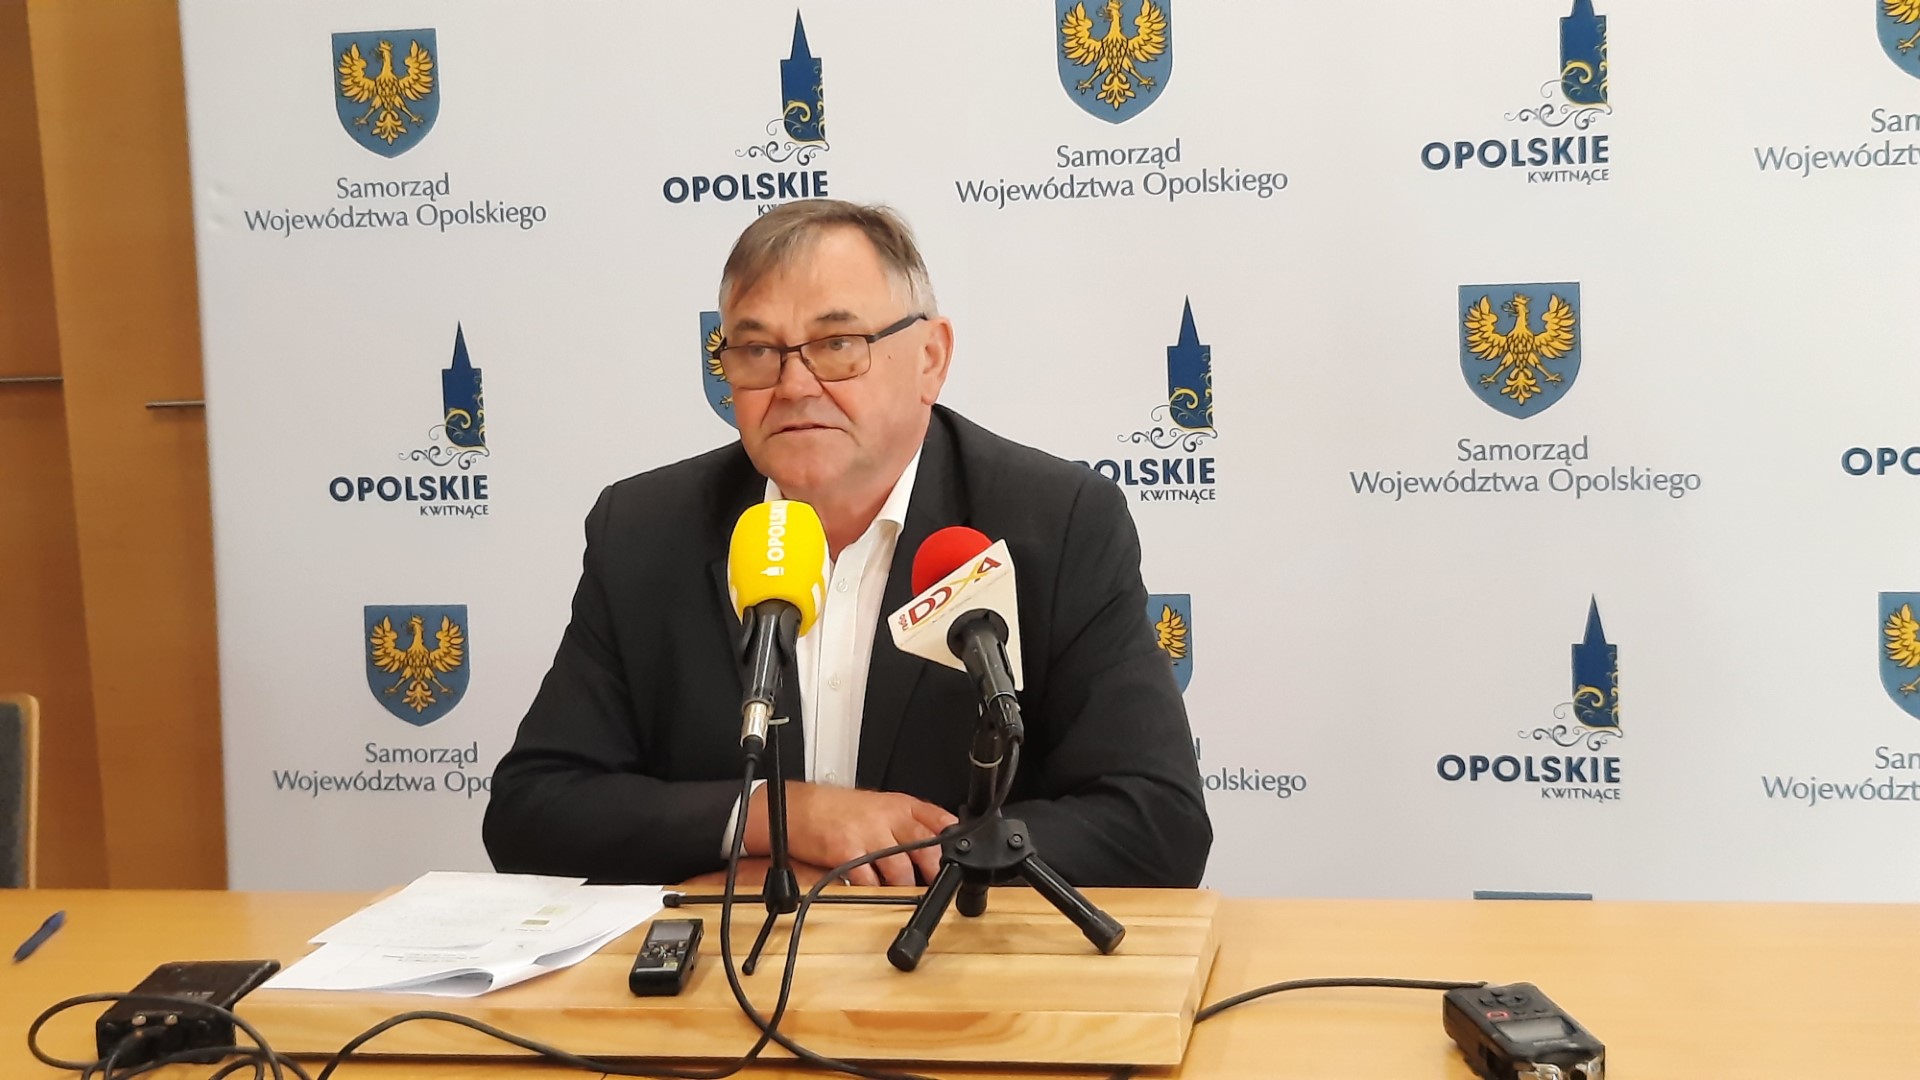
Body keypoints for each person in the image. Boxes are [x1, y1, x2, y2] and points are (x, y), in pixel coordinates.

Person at [483, 199, 1210, 888]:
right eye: (757, 350)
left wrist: (899, 867)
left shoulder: (1056, 521)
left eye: (837, 345)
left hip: (957, 964)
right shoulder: (646, 529)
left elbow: (1156, 823)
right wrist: (779, 819)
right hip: (726, 966)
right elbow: (532, 812)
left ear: (930, 358)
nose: (794, 385)